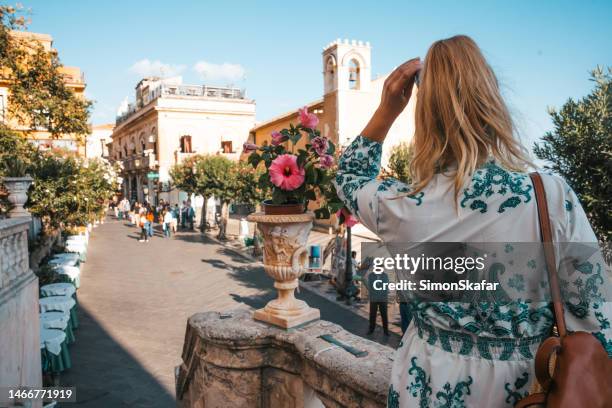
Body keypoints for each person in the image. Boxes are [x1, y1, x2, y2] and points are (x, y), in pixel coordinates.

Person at [333, 35, 611, 407]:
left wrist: (387, 110)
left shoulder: (400, 204)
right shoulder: (550, 197)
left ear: (425, 114)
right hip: (526, 390)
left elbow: (349, 175)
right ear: (491, 98)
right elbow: (598, 318)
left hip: (424, 385)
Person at [367, 268, 389, 336]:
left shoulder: (385, 275)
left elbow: (385, 286)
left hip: (383, 298)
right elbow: (370, 286)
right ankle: (371, 330)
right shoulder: (371, 275)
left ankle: (386, 331)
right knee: (372, 315)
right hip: (374, 298)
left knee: (384, 315)